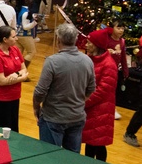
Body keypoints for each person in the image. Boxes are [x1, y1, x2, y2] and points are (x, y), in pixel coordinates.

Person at [32, 23, 96, 153]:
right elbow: (91, 88)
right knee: (71, 161)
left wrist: (36, 107)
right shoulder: (87, 60)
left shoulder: (52, 61)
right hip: (77, 117)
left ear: (59, 40)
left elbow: (40, 91)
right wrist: (77, 103)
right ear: (76, 40)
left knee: (50, 158)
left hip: (53, 117)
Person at [82, 29, 118, 161]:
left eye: (89, 42)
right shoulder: (91, 59)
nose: (86, 45)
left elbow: (103, 90)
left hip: (101, 110)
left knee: (98, 144)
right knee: (90, 142)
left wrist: (84, 102)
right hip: (91, 108)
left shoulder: (109, 65)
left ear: (97, 45)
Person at [0, 26, 27, 132]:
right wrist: (21, 77)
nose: (16, 39)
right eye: (14, 37)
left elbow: (24, 69)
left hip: (14, 97)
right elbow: (1, 81)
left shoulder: (15, 50)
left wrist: (15, 74)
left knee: (12, 133)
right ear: (5, 39)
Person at [14, 0, 39, 73]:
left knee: (19, 54)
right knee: (31, 52)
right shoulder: (26, 12)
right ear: (26, 1)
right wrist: (35, 22)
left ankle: (15, 71)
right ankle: (22, 71)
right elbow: (25, 27)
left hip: (18, 34)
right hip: (25, 35)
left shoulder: (20, 9)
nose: (31, 0)